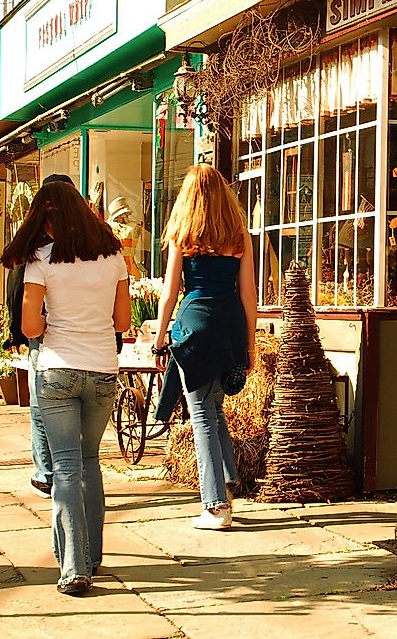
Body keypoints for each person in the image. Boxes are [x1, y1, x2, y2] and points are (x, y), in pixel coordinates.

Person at [0, 181, 130, 595]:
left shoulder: (41, 259)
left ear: (48, 218)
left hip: (56, 370)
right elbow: (123, 323)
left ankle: (74, 567)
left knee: (66, 468)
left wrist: (53, 316)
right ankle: (92, 555)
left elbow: (30, 327)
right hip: (103, 372)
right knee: (91, 461)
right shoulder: (114, 257)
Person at [152, 164, 258, 530]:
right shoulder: (239, 236)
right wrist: (251, 342)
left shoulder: (182, 235)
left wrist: (159, 335)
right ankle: (227, 483)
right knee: (214, 410)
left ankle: (215, 507)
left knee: (201, 415)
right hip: (229, 326)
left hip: (195, 324)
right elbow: (249, 295)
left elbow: (169, 293)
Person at [2, 173, 77, 500]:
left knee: (43, 404)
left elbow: (16, 291)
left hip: (44, 333)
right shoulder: (86, 243)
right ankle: (63, 470)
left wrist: (16, 330)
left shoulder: (34, 246)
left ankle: (47, 472)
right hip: (80, 336)